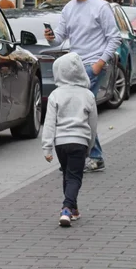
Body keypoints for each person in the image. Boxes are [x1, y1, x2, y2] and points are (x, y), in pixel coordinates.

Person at [42, 0, 121, 173]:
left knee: (80, 111)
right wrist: (51, 37)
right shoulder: (68, 8)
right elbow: (61, 36)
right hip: (74, 66)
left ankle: (88, 156)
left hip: (92, 65)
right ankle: (88, 156)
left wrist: (100, 63)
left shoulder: (101, 7)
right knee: (80, 111)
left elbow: (114, 38)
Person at [42, 53, 98, 227]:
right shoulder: (88, 95)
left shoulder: (55, 95)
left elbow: (49, 122)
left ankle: (74, 209)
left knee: (67, 174)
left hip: (60, 143)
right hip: (80, 141)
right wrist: (90, 146)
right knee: (75, 177)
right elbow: (93, 123)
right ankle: (66, 208)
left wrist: (47, 147)